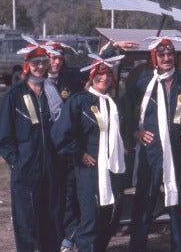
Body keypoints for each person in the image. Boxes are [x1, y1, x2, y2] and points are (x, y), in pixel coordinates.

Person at [43, 39, 137, 252]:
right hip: (90, 171)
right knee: (90, 220)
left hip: (113, 170)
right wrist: (79, 152)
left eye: (107, 74)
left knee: (110, 219)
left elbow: (123, 131)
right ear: (91, 77)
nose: (103, 77)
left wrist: (123, 146)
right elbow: (60, 133)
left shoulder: (114, 104)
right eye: (99, 74)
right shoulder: (80, 101)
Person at [123, 36, 181, 252]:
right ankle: (137, 247)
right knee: (145, 199)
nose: (167, 58)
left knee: (177, 198)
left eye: (170, 54)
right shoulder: (143, 81)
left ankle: (179, 246)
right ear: (154, 58)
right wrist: (135, 131)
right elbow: (124, 108)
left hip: (177, 149)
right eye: (162, 55)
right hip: (151, 150)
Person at [0, 37, 64, 252]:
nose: (40, 67)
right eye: (35, 63)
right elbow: (2, 138)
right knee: (26, 223)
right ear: (27, 65)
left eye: (43, 62)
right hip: (26, 171)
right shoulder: (14, 95)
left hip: (51, 169)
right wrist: (17, 162)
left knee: (51, 221)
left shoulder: (51, 93)